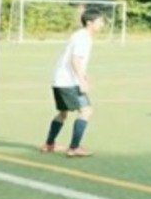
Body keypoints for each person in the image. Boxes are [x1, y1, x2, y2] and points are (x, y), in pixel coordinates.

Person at [39, 8, 105, 157]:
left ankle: (49, 144)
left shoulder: (79, 35)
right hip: (69, 82)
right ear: (90, 23)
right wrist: (82, 81)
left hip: (59, 80)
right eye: (100, 21)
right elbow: (75, 59)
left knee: (63, 113)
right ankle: (74, 147)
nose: (102, 24)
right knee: (86, 111)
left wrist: (84, 75)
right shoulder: (84, 38)